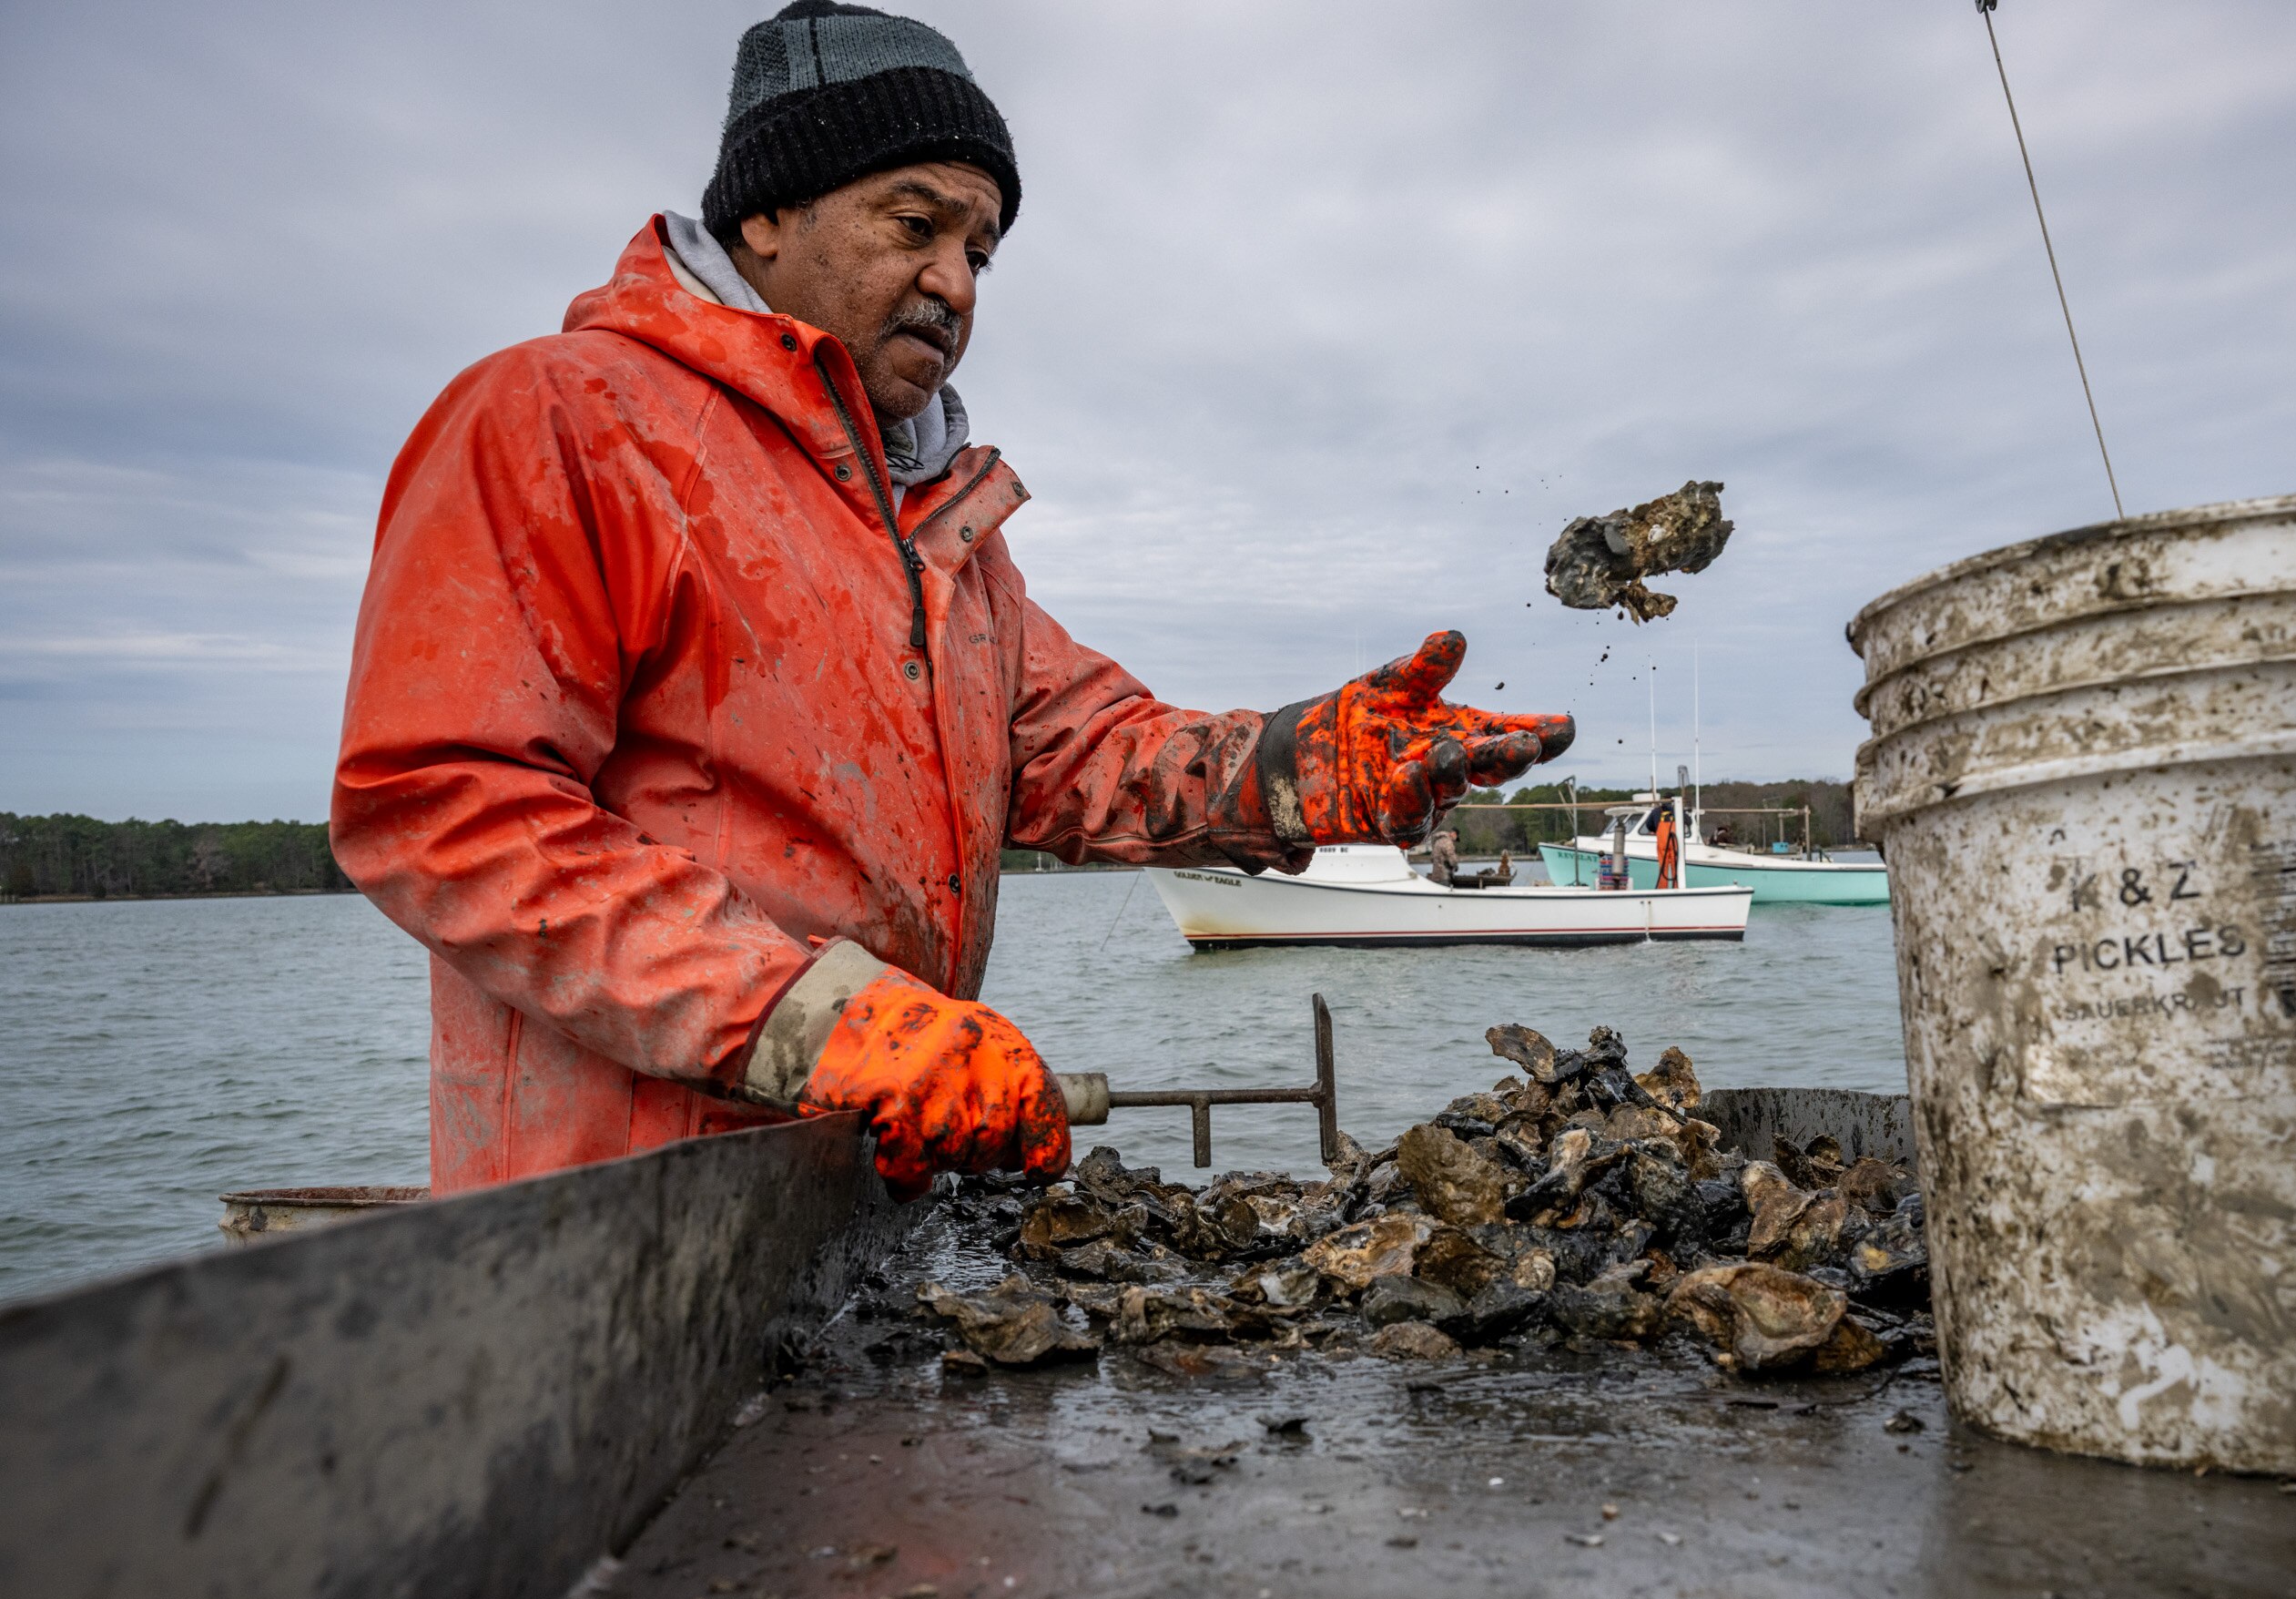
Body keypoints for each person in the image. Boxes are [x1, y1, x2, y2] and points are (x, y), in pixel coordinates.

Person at [330, 3, 1570, 1200]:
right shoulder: (558, 420)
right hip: (609, 1233)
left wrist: (1296, 767)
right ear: (765, 212)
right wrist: (811, 1020)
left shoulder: (941, 534)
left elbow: (1082, 749)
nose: (958, 284)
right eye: (914, 225)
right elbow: (443, 805)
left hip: (861, 1215)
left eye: (979, 250)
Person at [1655, 803, 1681, 891]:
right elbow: (1689, 821)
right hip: (1674, 844)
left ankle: (1662, 890)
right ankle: (1677, 888)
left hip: (1663, 843)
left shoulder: (1656, 812)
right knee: (1676, 868)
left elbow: (1649, 825)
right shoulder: (1678, 811)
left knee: (1663, 868)